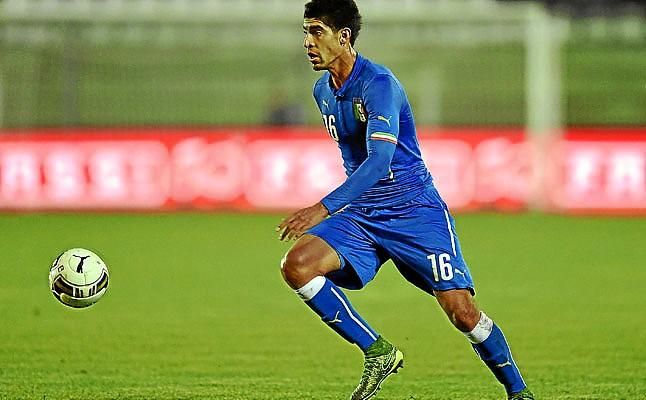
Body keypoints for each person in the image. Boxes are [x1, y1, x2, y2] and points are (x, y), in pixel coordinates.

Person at [277, 1, 535, 399]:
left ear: (343, 37)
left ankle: (518, 392)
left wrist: (322, 207)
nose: (308, 42)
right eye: (305, 32)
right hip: (364, 214)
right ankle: (377, 351)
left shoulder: (379, 84)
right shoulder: (322, 91)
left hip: (414, 211)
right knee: (297, 265)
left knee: (461, 312)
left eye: (316, 32)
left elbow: (380, 160)